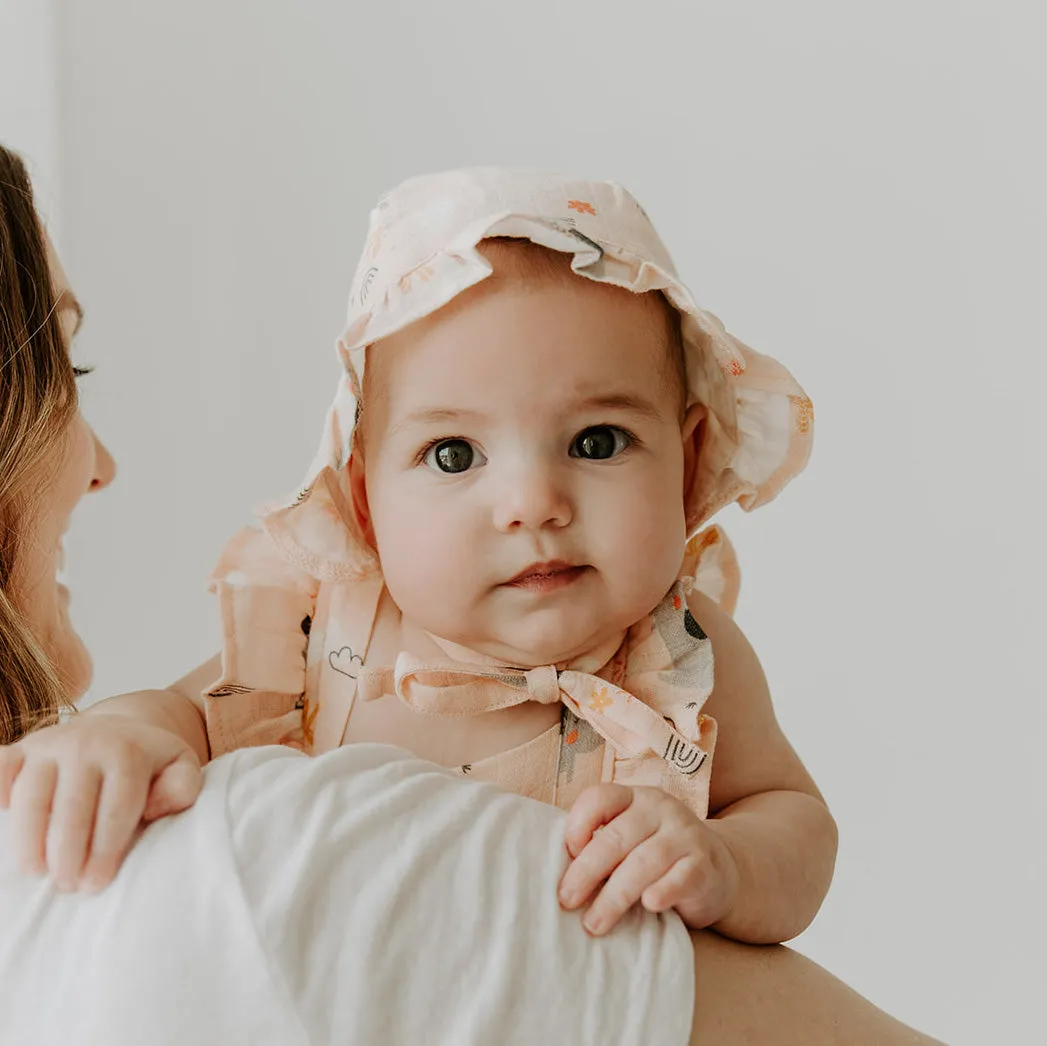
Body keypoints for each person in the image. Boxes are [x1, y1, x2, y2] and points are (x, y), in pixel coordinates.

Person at [0, 145, 943, 1044]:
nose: (533, 504)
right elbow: (185, 717)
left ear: (689, 460)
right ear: (365, 503)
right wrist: (121, 735)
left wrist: (728, 864)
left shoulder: (681, 657)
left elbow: (794, 819)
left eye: (598, 441)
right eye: (453, 455)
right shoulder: (329, 631)